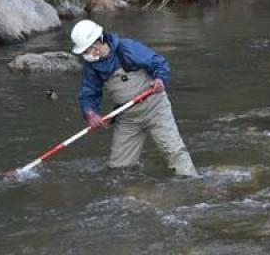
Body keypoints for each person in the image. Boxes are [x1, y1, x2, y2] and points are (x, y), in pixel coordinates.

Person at [70, 19, 198, 176]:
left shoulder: (127, 48)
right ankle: (130, 195)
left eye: (85, 50)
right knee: (119, 170)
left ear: (96, 44)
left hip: (155, 109)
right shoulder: (92, 67)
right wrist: (90, 113)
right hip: (127, 118)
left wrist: (160, 79)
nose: (84, 55)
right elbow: (89, 93)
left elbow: (158, 63)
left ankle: (192, 183)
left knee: (175, 153)